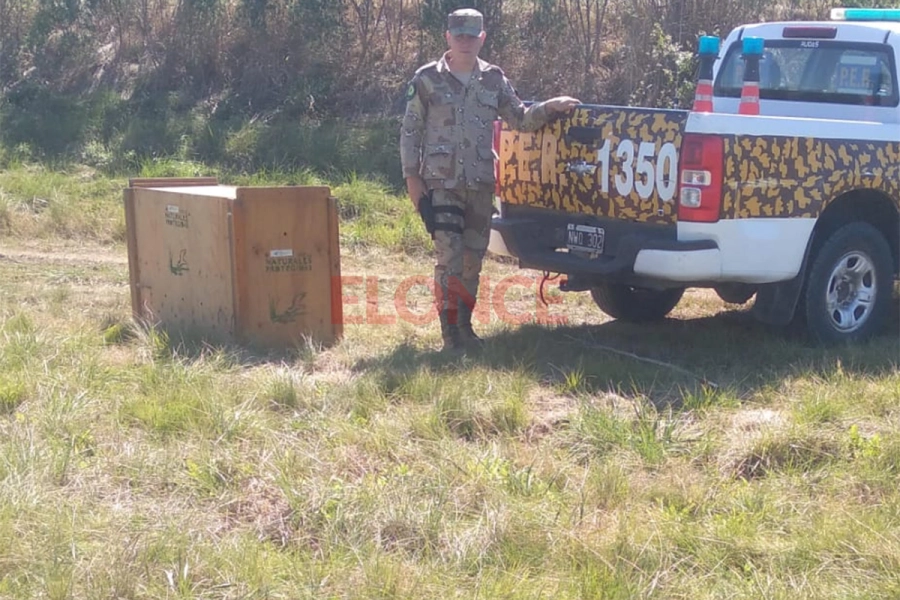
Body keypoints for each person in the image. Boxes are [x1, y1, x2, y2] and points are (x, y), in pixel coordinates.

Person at [400, 7, 580, 352]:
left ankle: (465, 328)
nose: (465, 42)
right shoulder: (427, 79)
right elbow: (410, 130)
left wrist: (550, 107)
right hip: (442, 183)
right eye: (459, 36)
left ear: (482, 38)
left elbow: (521, 119)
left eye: (472, 36)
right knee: (450, 258)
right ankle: (450, 335)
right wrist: (412, 177)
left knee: (473, 260)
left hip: (480, 184)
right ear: (448, 37)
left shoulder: (493, 80)